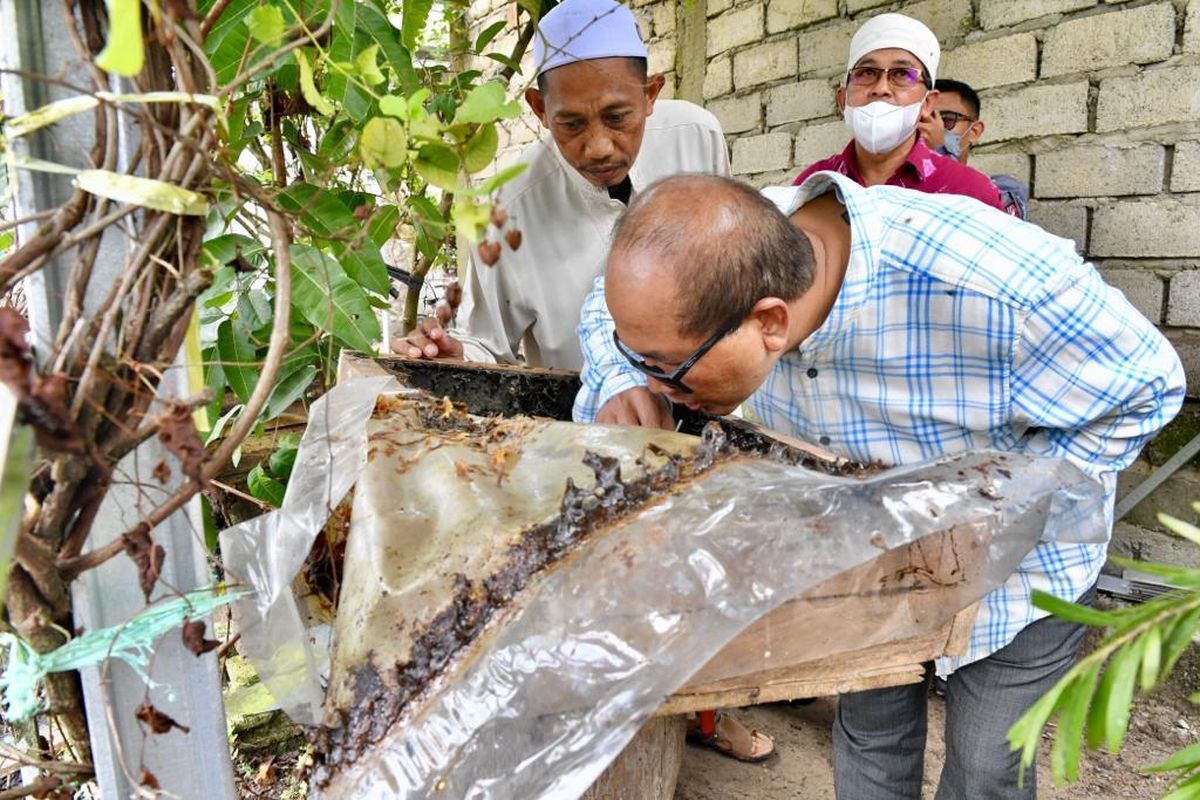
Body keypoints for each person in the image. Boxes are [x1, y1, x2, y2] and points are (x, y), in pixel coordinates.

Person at [577, 172, 1185, 798]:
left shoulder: (999, 288)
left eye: (668, 370)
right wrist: (613, 379)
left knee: (986, 767)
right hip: (861, 561)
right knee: (871, 735)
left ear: (771, 323)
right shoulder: (713, 256)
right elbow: (607, 304)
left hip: (1019, 576)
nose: (658, 387)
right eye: (642, 362)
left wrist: (995, 507)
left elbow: (1150, 385)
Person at [392, 0, 772, 763]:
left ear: (654, 94)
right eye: (571, 125)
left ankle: (712, 713)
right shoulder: (510, 214)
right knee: (615, 604)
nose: (600, 146)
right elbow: (487, 347)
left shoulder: (696, 137)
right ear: (536, 108)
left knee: (713, 569)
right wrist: (450, 357)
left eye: (618, 117)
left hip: (702, 400)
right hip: (591, 439)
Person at [792, 14, 1005, 212]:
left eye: (902, 74)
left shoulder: (970, 192)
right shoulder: (812, 186)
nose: (881, 88)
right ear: (842, 99)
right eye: (867, 72)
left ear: (928, 104)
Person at [919, 78, 1030, 218]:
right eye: (923, 119)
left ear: (974, 132)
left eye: (947, 119)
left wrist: (936, 150)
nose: (932, 127)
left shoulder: (1005, 188)